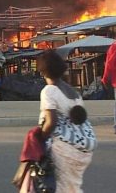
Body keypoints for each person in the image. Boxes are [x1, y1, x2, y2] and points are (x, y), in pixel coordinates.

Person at [37, 50, 93, 193]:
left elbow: (51, 122)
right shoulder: (74, 93)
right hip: (83, 149)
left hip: (64, 150)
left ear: (43, 72)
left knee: (64, 189)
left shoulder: (49, 91)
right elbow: (80, 117)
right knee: (72, 188)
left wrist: (39, 137)